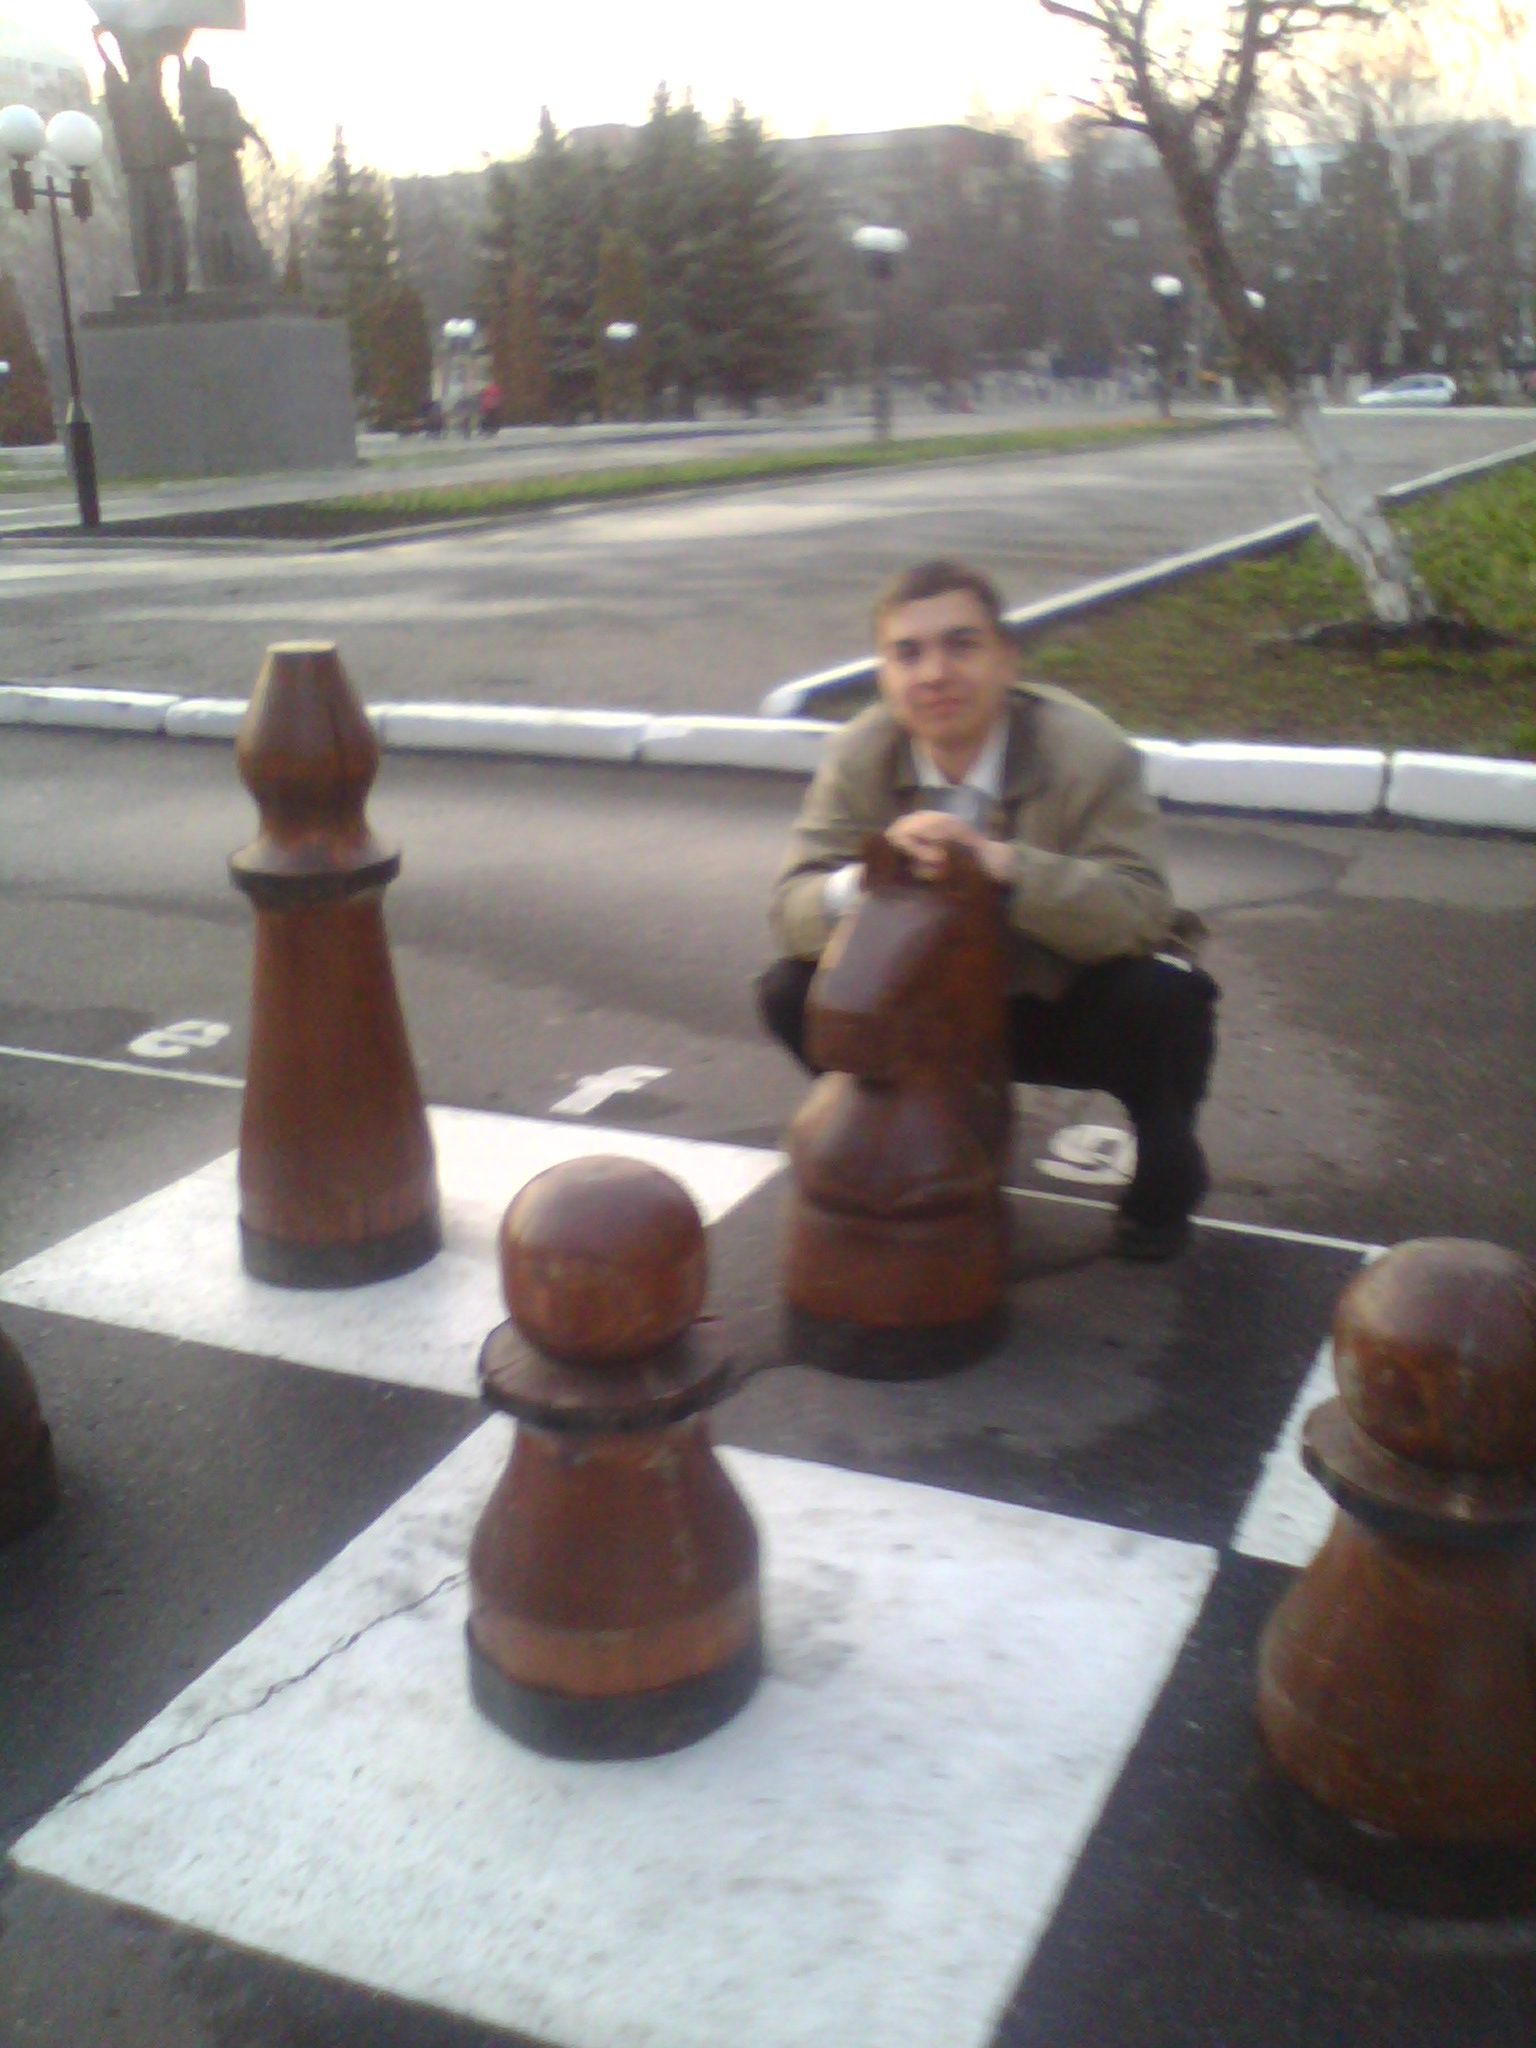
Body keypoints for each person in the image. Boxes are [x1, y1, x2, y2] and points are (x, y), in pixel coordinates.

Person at [759, 558, 1217, 1261]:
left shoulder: (1087, 749)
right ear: (883, 674)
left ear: (1007, 659)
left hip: (1055, 998)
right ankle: (913, 1133)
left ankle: (1164, 1159)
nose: (934, 674)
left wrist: (1003, 865)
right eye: (907, 654)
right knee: (790, 989)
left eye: (961, 645)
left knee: (1166, 998)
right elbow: (791, 908)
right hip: (931, 1008)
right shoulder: (859, 754)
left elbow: (1139, 909)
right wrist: (868, 877)